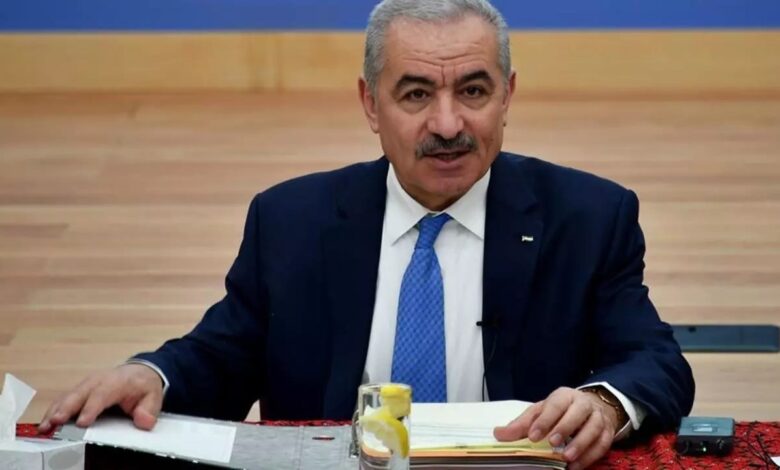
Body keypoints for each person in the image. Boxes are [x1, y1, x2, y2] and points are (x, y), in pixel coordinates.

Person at [39, 1, 694, 468]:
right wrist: (152, 374)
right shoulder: (291, 220)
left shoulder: (588, 216)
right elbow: (223, 356)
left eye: (473, 91)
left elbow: (655, 362)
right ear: (369, 104)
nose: (447, 124)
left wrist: (604, 405)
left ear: (508, 96)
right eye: (415, 95)